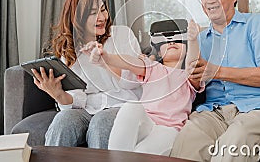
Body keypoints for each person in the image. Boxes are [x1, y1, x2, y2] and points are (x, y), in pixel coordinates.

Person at [170, 0, 260, 162]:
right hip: (215, 112)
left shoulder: (257, 24)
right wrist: (193, 77)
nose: (209, 0)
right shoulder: (201, 39)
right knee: (187, 139)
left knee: (231, 145)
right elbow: (194, 86)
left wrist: (218, 71)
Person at [31, 0, 141, 148]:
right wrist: (58, 94)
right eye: (93, 13)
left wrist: (107, 62)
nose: (102, 17)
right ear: (76, 18)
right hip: (87, 107)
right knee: (63, 121)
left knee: (101, 123)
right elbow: (77, 98)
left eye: (103, 10)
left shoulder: (122, 35)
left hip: (122, 103)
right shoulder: (69, 50)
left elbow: (135, 81)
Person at [83, 19, 204, 156]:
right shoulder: (152, 68)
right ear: (158, 53)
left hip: (169, 129)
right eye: (165, 42)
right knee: (131, 106)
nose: (171, 42)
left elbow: (193, 64)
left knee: (141, 154)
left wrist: (193, 40)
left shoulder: (187, 76)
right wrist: (106, 58)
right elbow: (130, 62)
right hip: (146, 121)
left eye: (178, 41)